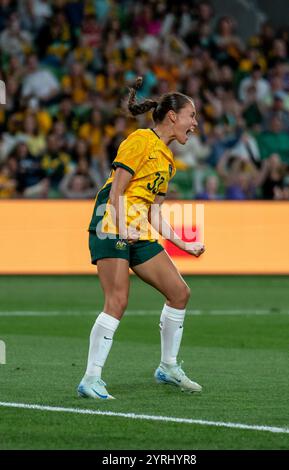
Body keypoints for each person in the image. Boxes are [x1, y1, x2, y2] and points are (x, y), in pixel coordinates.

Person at [77, 77, 205, 400]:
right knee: (118, 301)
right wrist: (122, 226)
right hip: (111, 223)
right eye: (192, 116)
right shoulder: (139, 141)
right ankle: (91, 379)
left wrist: (184, 244)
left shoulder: (167, 161)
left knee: (179, 292)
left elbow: (155, 214)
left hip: (138, 230)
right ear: (173, 116)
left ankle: (168, 367)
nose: (195, 123)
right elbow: (117, 190)